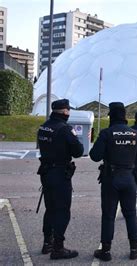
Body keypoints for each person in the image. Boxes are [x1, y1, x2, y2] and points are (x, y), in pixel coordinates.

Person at [89, 102, 137, 261]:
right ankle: (134, 248)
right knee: (130, 214)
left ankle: (105, 251)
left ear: (111, 116)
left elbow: (95, 156)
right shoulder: (135, 134)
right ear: (125, 116)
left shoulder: (107, 133)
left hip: (111, 178)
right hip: (129, 177)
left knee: (108, 215)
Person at [37, 99, 84, 260]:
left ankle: (47, 243)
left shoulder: (44, 126)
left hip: (46, 172)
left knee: (50, 208)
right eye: (68, 110)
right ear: (65, 112)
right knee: (62, 210)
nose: (69, 113)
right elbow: (78, 151)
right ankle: (58, 247)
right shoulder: (65, 129)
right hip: (59, 173)